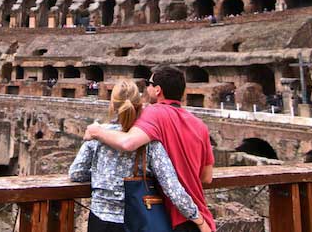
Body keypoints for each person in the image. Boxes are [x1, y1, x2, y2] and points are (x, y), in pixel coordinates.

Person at [85, 66, 215, 232]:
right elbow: (206, 177)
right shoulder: (200, 125)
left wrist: (97, 131)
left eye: (149, 83)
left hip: (168, 215)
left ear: (157, 90)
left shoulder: (152, 113)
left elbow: (128, 143)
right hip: (197, 212)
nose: (146, 88)